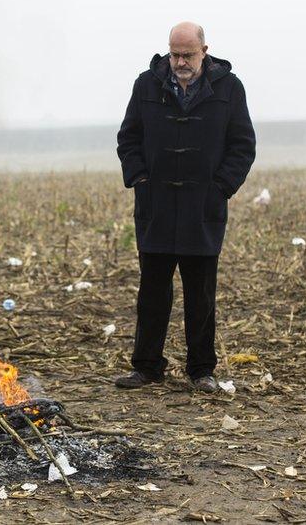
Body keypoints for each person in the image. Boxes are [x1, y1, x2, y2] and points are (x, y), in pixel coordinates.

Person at [115, 22, 256, 392]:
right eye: (174, 54)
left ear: (204, 50)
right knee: (152, 293)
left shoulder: (229, 87)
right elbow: (128, 138)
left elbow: (242, 145)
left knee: (201, 296)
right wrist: (140, 180)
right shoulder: (146, 85)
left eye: (187, 55)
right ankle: (146, 367)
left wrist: (221, 188)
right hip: (156, 208)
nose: (179, 62)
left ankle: (201, 371)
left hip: (203, 210)